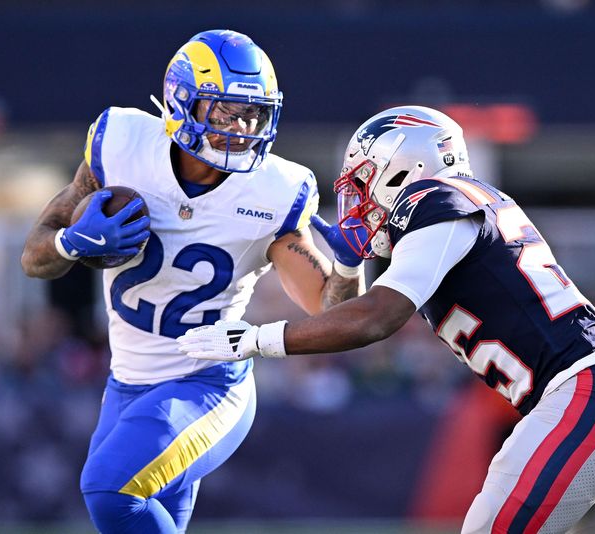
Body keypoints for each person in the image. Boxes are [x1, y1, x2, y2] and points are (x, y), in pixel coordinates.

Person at [177, 106, 595, 533]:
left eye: (364, 183)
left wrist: (257, 339)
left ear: (403, 168)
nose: (359, 199)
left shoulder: (436, 199)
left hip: (586, 395)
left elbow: (376, 319)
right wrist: (349, 259)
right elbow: (341, 315)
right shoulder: (462, 206)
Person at [20, 30, 363, 534]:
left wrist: (349, 268)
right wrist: (72, 242)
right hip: (127, 384)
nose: (243, 128)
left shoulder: (274, 191)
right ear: (183, 101)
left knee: (109, 490)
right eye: (226, 112)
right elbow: (34, 257)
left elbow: (328, 312)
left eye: (254, 114)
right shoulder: (122, 145)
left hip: (207, 384)